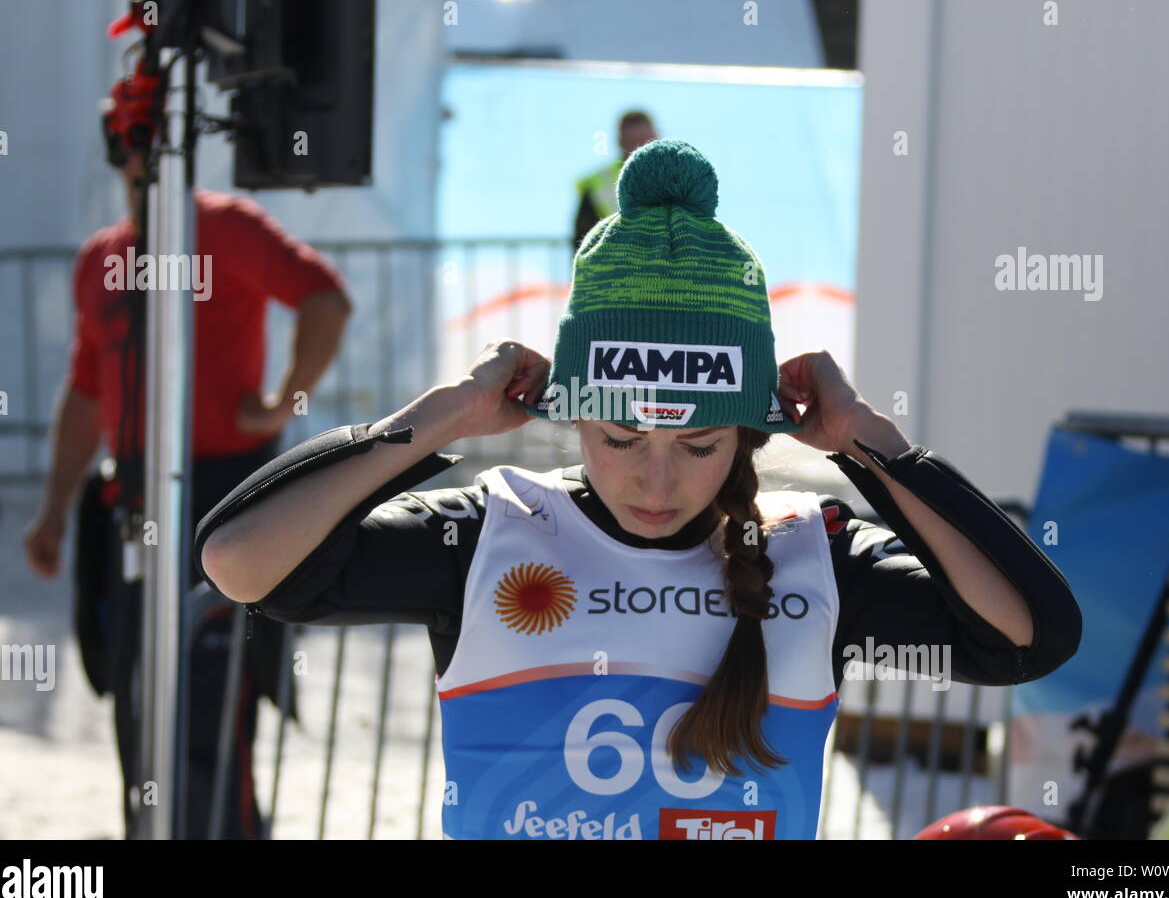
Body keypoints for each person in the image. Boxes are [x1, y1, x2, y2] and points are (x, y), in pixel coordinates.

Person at [195, 139, 1082, 840]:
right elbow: (240, 560)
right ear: (573, 417)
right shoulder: (495, 534)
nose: (657, 480)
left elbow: (1029, 638)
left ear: (746, 432)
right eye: (621, 438)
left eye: (699, 444)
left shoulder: (811, 555)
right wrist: (445, 417)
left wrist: (870, 445)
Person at [22, 135, 352, 838]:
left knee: (212, 693)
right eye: (134, 153)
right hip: (131, 500)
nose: (146, 168)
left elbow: (325, 299)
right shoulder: (102, 257)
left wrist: (283, 400)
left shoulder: (227, 226)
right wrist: (52, 509)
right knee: (136, 697)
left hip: (222, 498)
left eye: (157, 148)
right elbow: (85, 392)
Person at [573, 110, 658, 249]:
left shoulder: (677, 180)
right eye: (633, 142)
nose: (639, 148)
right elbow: (583, 240)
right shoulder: (597, 183)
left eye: (644, 141)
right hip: (613, 264)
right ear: (620, 142)